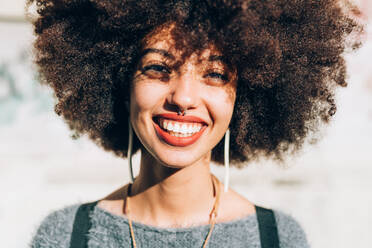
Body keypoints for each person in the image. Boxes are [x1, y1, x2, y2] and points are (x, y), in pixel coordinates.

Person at [28, 0, 362, 247]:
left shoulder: (276, 238)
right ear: (120, 84)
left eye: (215, 74)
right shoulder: (64, 236)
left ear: (245, 97)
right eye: (158, 69)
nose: (184, 97)